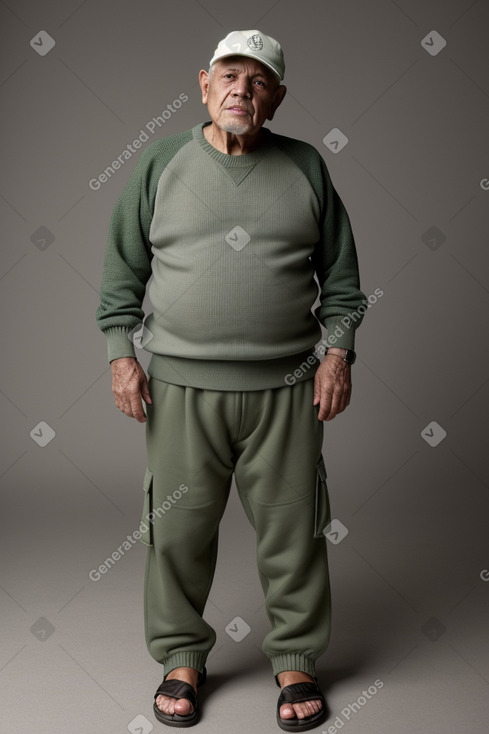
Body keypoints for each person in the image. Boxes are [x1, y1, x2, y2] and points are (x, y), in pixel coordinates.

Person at [96, 29, 366, 732]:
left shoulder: (305, 165)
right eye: (228, 76)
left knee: (294, 529)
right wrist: (120, 354)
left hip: (289, 387)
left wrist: (337, 355)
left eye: (256, 80)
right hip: (181, 389)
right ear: (204, 84)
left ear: (274, 98)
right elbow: (122, 272)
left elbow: (341, 284)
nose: (240, 90)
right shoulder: (160, 162)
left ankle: (296, 661)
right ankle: (182, 658)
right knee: (177, 530)